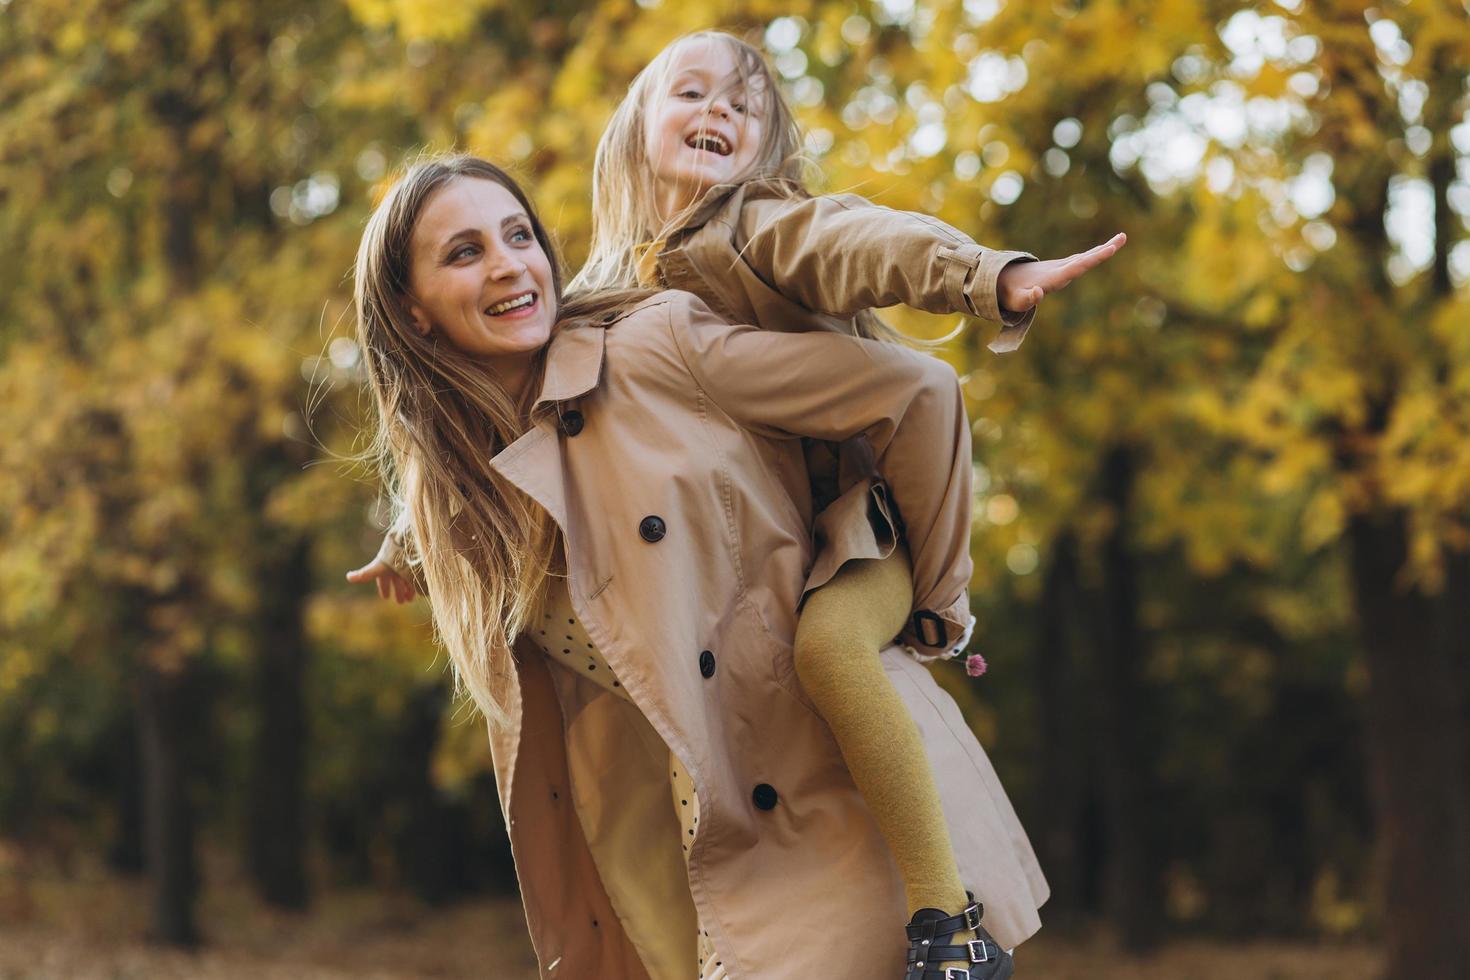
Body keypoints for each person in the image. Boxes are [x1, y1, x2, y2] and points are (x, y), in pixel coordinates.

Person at [353, 32, 1125, 976]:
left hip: (847, 595)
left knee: (833, 647)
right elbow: (492, 472)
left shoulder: (740, 244)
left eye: (519, 235)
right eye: (466, 251)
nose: (513, 263)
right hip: (692, 872)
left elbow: (869, 261)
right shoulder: (607, 301)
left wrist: (986, 278)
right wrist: (412, 538)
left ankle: (946, 920)